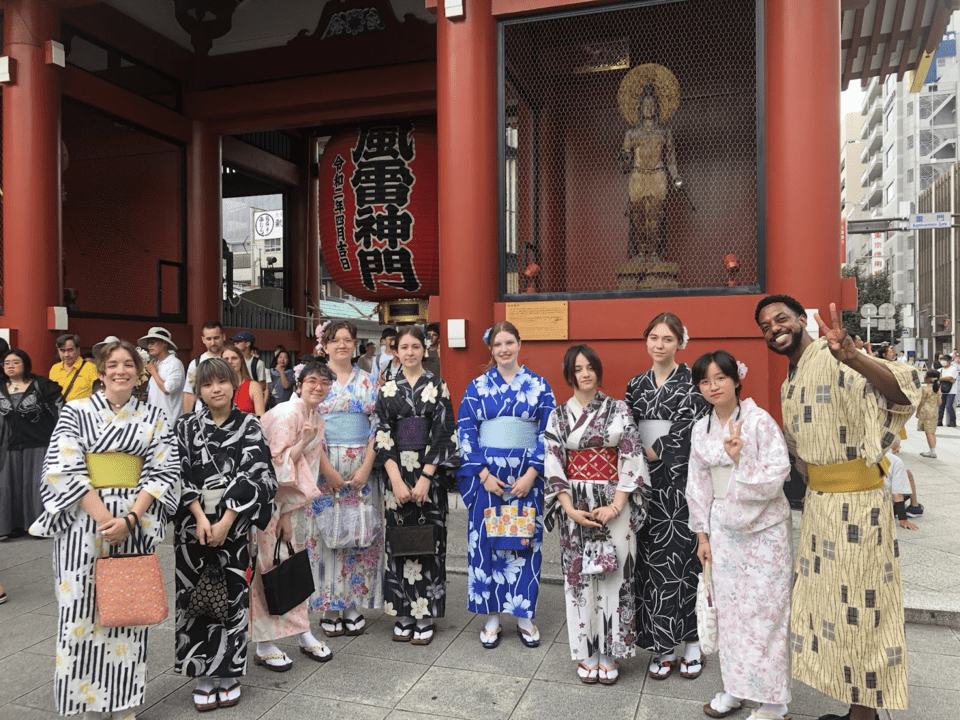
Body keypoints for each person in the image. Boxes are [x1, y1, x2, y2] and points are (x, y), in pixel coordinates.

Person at [755, 295, 920, 720]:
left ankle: (865, 715)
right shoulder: (788, 381)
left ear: (800, 319)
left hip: (859, 506)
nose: (774, 328)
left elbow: (903, 389)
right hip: (820, 506)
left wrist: (856, 358)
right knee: (831, 608)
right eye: (765, 325)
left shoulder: (834, 357)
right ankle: (855, 708)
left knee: (864, 609)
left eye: (781, 318)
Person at [30, 340, 180, 718]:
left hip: (135, 521)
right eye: (112, 365)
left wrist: (130, 519)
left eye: (129, 364)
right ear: (100, 372)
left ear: (139, 372)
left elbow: (164, 470)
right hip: (84, 522)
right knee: (79, 610)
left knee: (128, 609)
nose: (120, 371)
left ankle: (125, 702)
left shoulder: (154, 417)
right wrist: (102, 518)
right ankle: (84, 701)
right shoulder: (75, 411)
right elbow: (63, 468)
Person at [687, 350, 792, 720]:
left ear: (735, 379)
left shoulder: (760, 422)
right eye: (704, 381)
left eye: (720, 378)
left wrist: (740, 459)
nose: (713, 387)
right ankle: (735, 687)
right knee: (730, 614)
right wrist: (702, 535)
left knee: (765, 614)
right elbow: (697, 484)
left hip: (765, 533)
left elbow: (778, 472)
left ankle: (774, 703)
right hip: (724, 532)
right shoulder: (702, 428)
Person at [174, 357, 277, 711]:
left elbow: (259, 474)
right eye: (207, 384)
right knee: (195, 598)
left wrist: (226, 520)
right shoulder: (185, 427)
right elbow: (177, 473)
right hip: (194, 526)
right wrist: (201, 517)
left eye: (221, 382)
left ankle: (230, 672)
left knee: (232, 599)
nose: (215, 389)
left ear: (235, 384)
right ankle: (202, 673)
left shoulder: (250, 425)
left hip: (233, 527)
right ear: (199, 390)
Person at [544, 344, 647, 685]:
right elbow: (553, 461)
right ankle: (587, 651)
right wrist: (569, 508)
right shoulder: (558, 415)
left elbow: (631, 455)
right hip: (575, 501)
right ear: (569, 374)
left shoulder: (618, 409)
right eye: (578, 369)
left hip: (614, 499)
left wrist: (617, 505)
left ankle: (612, 651)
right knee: (579, 577)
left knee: (616, 576)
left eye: (590, 367)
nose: (585, 373)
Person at [457, 321, 556, 649]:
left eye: (509, 342)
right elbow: (466, 431)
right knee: (488, 545)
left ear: (519, 343)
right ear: (491, 349)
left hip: (525, 482)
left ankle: (524, 615)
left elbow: (549, 431)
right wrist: (482, 474)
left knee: (524, 543)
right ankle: (492, 616)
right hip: (490, 482)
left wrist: (533, 473)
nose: (504, 349)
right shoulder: (477, 387)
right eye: (498, 344)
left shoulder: (539, 386)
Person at [624, 312, 708, 680]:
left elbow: (693, 434)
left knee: (683, 565)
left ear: (680, 343)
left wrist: (649, 451)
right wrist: (635, 456)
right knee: (649, 566)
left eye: (667, 339)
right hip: (644, 488)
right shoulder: (635, 385)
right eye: (654, 338)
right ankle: (661, 644)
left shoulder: (693, 385)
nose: (659, 345)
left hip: (679, 485)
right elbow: (625, 429)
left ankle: (692, 641)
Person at [250, 362, 337, 670]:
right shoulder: (288, 414)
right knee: (269, 569)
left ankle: (301, 631)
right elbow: (274, 467)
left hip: (290, 504)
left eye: (325, 383)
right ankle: (264, 643)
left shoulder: (314, 417)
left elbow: (303, 467)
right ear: (298, 384)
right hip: (271, 505)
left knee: (292, 566)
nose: (318, 387)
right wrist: (284, 513)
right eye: (311, 381)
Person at [375, 326, 457, 646]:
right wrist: (395, 479)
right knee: (399, 542)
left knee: (428, 543)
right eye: (403, 347)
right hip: (397, 475)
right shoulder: (387, 391)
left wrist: (425, 478)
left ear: (425, 349)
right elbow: (382, 437)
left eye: (415, 346)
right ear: (395, 351)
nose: (409, 352)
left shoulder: (438, 387)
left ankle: (424, 613)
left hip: (428, 476)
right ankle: (403, 611)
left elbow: (444, 434)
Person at [304, 320, 383, 637]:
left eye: (347, 340)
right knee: (326, 534)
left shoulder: (370, 382)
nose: (341, 345)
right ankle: (329, 605)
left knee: (360, 532)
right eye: (335, 340)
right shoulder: (314, 380)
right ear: (324, 344)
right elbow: (307, 425)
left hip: (361, 466)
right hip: (325, 465)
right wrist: (326, 468)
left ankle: (353, 604)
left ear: (355, 344)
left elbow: (378, 427)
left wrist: (366, 467)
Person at [0, 350, 64, 538]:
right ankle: (11, 527)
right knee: (8, 487)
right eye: (6, 363)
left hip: (39, 442)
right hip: (9, 446)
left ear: (25, 364)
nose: (10, 366)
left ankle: (39, 526)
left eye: (15, 362)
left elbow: (60, 411)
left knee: (36, 485)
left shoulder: (42, 385)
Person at [620, 82, 681, 260]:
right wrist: (624, 157)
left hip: (657, 174)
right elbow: (624, 166)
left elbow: (670, 159)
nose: (649, 108)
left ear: (657, 109)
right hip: (638, 175)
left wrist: (676, 176)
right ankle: (640, 252)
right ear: (639, 109)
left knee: (656, 215)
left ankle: (654, 252)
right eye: (645, 105)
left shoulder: (664, 132)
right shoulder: (631, 133)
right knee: (638, 216)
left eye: (652, 105)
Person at [139, 326, 184, 424]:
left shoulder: (175, 363)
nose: (149, 346)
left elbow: (167, 389)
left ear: (164, 343)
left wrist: (153, 372)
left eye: (152, 342)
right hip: (153, 420)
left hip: (169, 422)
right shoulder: (156, 364)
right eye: (148, 343)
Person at [182, 320, 226, 414]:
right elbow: (189, 393)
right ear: (203, 340)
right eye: (209, 339)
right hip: (202, 413)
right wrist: (186, 419)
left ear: (223, 337)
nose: (213, 342)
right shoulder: (196, 363)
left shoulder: (232, 359)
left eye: (216, 338)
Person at [49, 333, 98, 401]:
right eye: (62, 350)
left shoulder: (91, 368)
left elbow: (98, 393)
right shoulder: (55, 368)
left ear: (78, 350)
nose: (66, 355)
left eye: (70, 350)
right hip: (60, 410)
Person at [222, 345, 266, 416]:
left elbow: (261, 417)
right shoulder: (219, 387)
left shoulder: (254, 386)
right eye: (226, 359)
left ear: (241, 361)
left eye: (234, 358)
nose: (230, 361)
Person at [885, 439, 918, 532]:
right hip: (884, 506)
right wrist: (903, 520)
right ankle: (914, 506)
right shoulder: (895, 461)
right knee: (908, 475)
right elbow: (897, 493)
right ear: (896, 448)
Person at [230, 331, 267, 395]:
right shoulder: (232, 361)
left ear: (247, 344)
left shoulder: (258, 363)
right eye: (234, 342)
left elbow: (263, 386)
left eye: (238, 342)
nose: (235, 344)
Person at [917, 369, 940, 459]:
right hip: (934, 411)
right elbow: (939, 402)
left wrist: (918, 411)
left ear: (928, 378)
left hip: (926, 412)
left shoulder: (925, 389)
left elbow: (921, 401)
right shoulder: (937, 389)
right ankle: (932, 449)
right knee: (932, 431)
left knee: (928, 432)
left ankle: (932, 452)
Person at [936, 354, 956, 427]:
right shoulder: (939, 370)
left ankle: (952, 421)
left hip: (951, 391)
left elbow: (951, 379)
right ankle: (939, 421)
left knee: (949, 406)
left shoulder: (953, 369)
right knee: (941, 406)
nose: (943, 362)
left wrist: (940, 378)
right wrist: (947, 378)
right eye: (942, 360)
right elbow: (936, 378)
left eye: (945, 360)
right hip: (941, 390)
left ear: (949, 362)